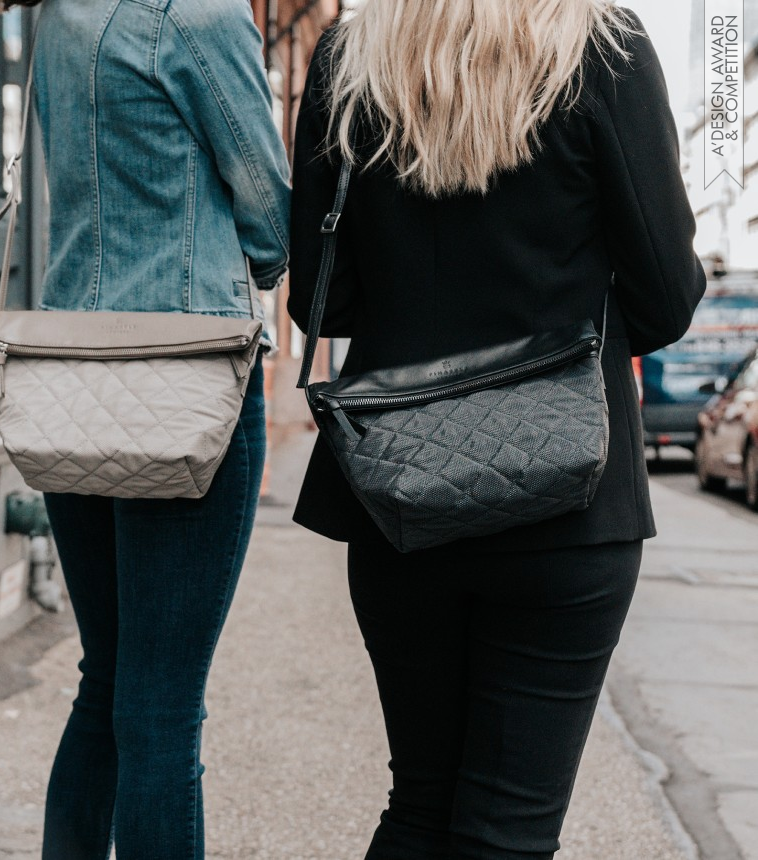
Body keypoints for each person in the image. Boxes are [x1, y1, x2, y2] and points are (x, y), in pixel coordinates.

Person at [288, 2, 705, 858]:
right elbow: (666, 295)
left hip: (399, 486)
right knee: (508, 828)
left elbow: (322, 299)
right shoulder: (603, 47)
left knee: (419, 803)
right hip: (569, 494)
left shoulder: (348, 57)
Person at [0, 0, 290, 858]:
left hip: (74, 382)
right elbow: (271, 213)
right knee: (163, 707)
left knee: (107, 685)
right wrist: (260, 262)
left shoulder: (60, 18)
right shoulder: (200, 15)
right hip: (186, 382)